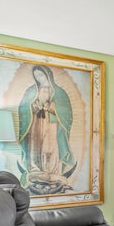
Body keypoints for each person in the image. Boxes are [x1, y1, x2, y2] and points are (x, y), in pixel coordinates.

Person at [18, 64, 76, 194]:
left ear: (48, 75)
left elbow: (67, 113)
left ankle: (53, 173)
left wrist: (51, 107)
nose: (39, 77)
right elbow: (23, 109)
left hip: (52, 126)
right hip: (35, 125)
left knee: (51, 149)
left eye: (41, 75)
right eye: (37, 75)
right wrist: (33, 107)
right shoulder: (31, 91)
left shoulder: (59, 92)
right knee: (35, 147)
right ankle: (35, 171)